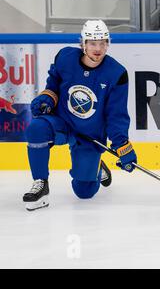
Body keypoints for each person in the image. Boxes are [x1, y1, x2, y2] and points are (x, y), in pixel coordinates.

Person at [23, 20, 137, 211]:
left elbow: (116, 115)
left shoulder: (117, 73)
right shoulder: (65, 58)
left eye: (103, 43)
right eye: (93, 43)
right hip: (62, 123)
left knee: (84, 191)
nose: (98, 48)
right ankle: (40, 184)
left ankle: (97, 167)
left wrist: (122, 145)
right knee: (36, 129)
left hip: (89, 136)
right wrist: (47, 99)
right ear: (83, 43)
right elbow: (53, 85)